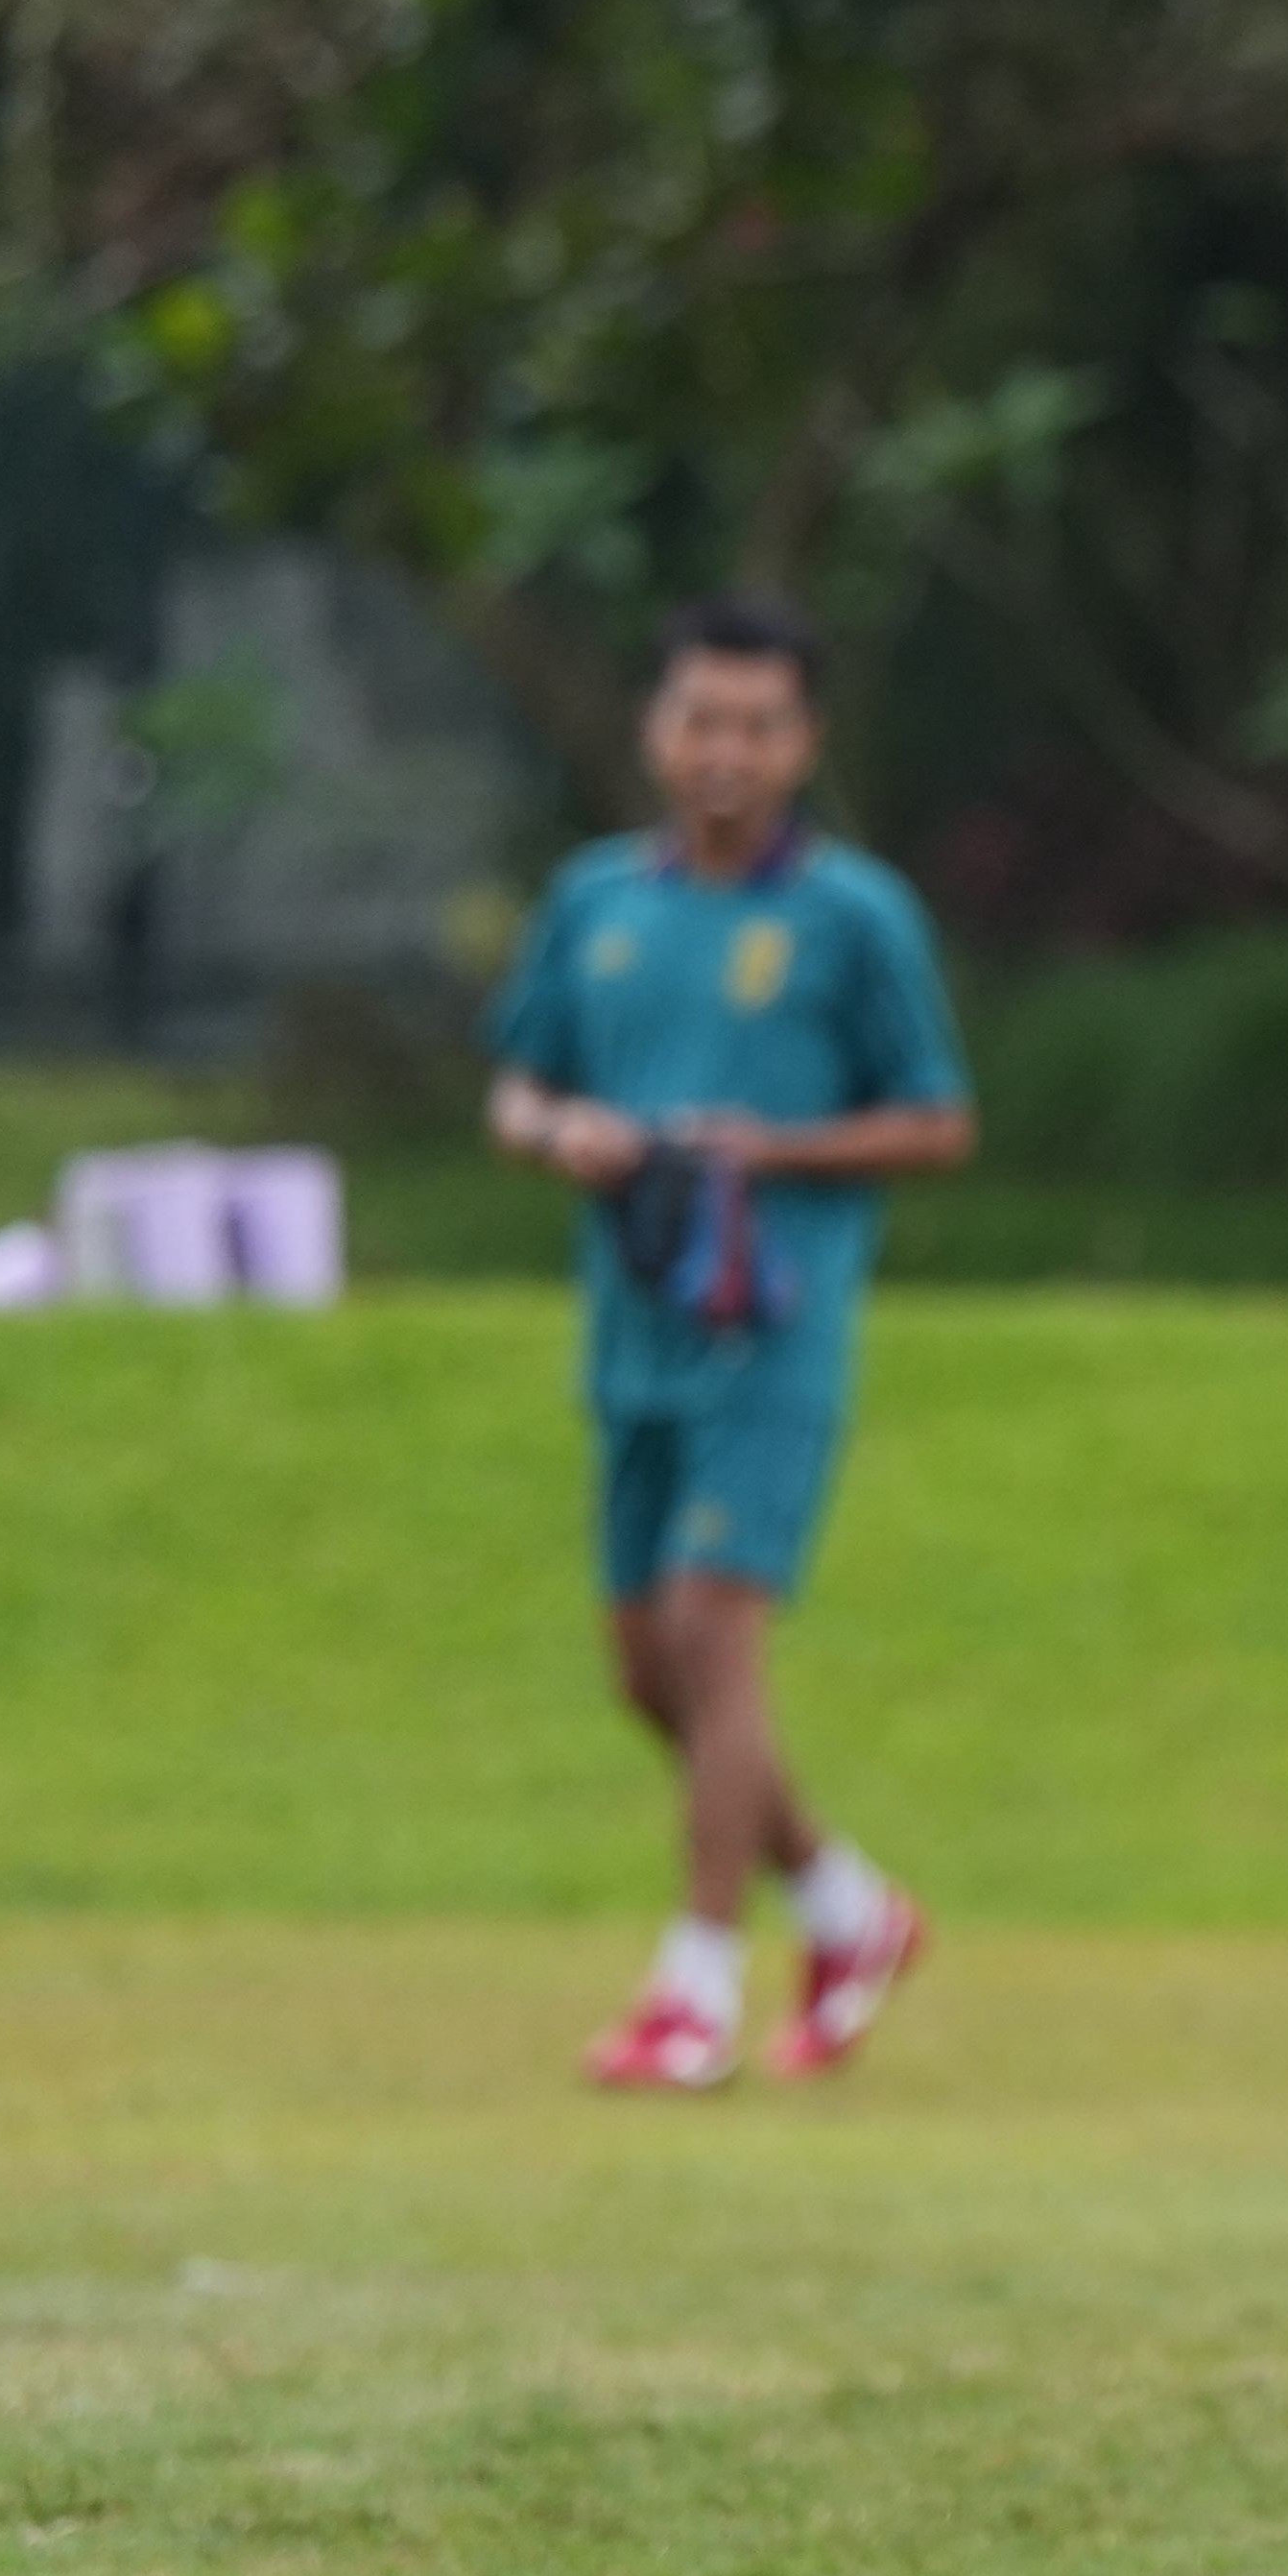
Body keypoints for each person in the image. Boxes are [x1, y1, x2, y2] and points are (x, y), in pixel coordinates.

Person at [482, 593, 972, 2093]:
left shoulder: (854, 918)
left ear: (803, 744)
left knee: (711, 1633)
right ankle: (845, 1908)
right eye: (701, 718)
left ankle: (692, 1995)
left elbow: (938, 1121)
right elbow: (515, 1085)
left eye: (758, 727)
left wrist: (771, 1149)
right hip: (632, 1333)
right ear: (656, 730)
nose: (725, 752)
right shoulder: (594, 903)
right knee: (647, 1672)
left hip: (773, 1332)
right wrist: (562, 1132)